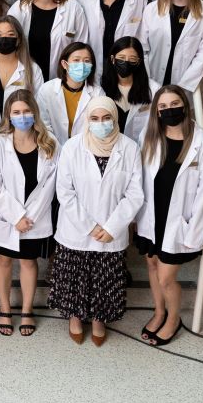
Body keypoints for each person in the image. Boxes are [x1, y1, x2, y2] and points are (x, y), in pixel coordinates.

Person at [49, 96, 143, 346]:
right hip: (77, 229)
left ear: (115, 118)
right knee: (75, 276)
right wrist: (90, 226)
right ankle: (76, 318)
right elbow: (65, 192)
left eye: (106, 118)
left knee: (105, 277)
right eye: (94, 118)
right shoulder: (72, 146)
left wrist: (112, 226)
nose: (101, 123)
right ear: (87, 121)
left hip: (112, 231)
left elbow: (135, 194)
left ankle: (100, 319)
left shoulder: (130, 148)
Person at [136, 85, 203, 346]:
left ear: (185, 105)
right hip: (152, 217)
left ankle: (173, 318)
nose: (169, 111)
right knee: (151, 265)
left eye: (174, 105)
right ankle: (159, 312)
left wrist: (195, 230)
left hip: (179, 222)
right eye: (163, 107)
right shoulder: (149, 138)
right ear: (156, 112)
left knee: (166, 276)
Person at [0, 89, 59, 338]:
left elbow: (50, 186)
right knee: (3, 261)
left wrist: (29, 218)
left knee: (29, 262)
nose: (22, 116)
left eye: (26, 111)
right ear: (8, 116)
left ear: (35, 113)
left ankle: (27, 310)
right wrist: (16, 216)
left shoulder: (50, 143)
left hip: (35, 219)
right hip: (7, 218)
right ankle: (4, 308)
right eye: (16, 112)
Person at [6, 0, 88, 81]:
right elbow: (10, 43)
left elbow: (82, 44)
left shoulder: (73, 7)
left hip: (61, 79)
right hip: (25, 77)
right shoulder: (19, 8)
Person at [36, 42, 102, 144]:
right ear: (64, 64)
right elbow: (43, 124)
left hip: (84, 148)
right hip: (53, 148)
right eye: (76, 60)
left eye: (87, 61)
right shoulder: (47, 89)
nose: (82, 65)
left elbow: (97, 126)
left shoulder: (98, 93)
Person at [101, 36, 159, 143]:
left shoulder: (153, 89)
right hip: (108, 146)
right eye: (121, 58)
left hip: (140, 147)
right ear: (113, 59)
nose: (126, 63)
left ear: (139, 62)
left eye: (132, 59)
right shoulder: (101, 87)